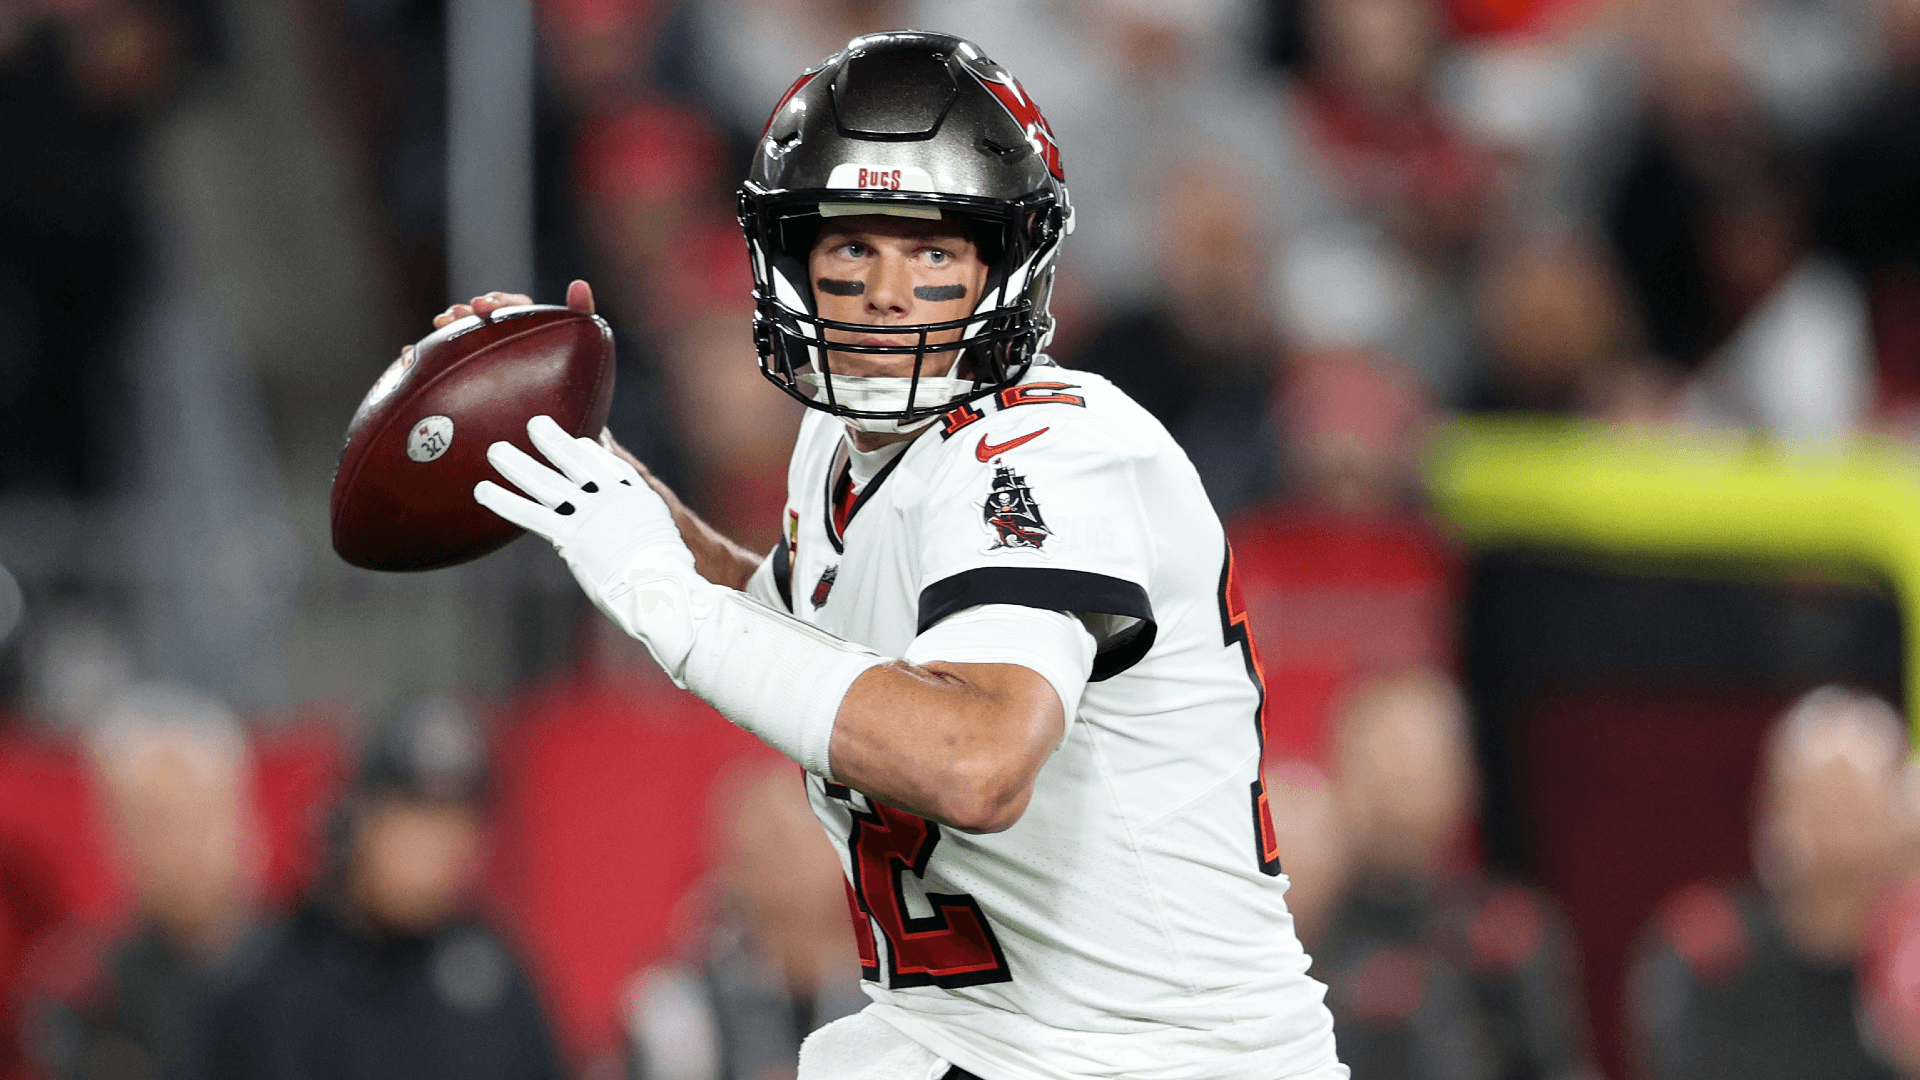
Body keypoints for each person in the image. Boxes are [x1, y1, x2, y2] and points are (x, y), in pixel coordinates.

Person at [447, 30, 1344, 1080]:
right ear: (793, 264)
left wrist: (660, 593)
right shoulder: (843, 441)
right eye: (850, 248)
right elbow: (795, 643)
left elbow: (976, 761)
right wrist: (593, 481)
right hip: (975, 1042)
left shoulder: (1050, 448)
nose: (884, 290)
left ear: (1003, 268)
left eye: (931, 252)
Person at [202, 697, 565, 1080]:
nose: (434, 846)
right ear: (354, 820)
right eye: (412, 815)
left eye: (454, 821)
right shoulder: (269, 987)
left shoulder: (493, 977)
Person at [1314, 670, 1595, 1080]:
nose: (1401, 790)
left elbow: (1561, 1062)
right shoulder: (1303, 933)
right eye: (1385, 759)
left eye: (1421, 764)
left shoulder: (1507, 934)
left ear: (1463, 781)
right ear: (1340, 772)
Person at [1626, 686, 1911, 1080]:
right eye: (1817, 809)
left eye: (1855, 811)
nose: (1837, 839)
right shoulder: (1711, 955)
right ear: (1769, 813)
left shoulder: (1908, 967)